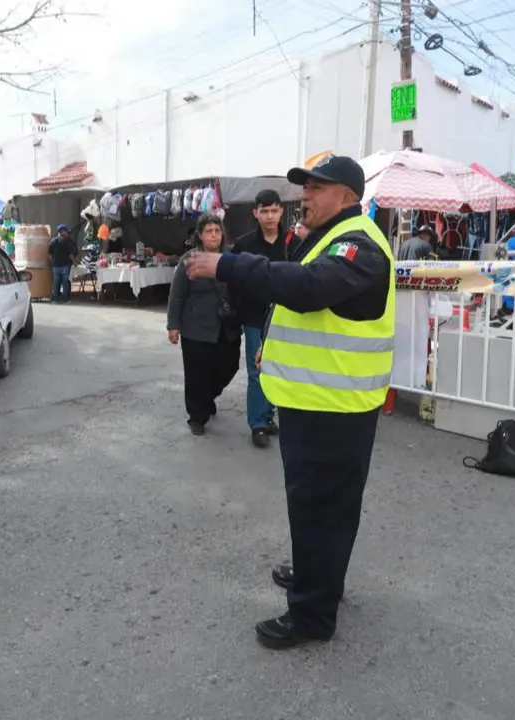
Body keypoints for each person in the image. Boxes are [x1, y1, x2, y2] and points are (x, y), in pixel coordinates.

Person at [184, 155, 394, 650]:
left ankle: (312, 616)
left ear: (347, 197)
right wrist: (269, 344)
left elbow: (307, 288)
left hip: (334, 409)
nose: (306, 197)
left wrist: (228, 263)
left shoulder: (359, 245)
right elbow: (304, 306)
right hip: (316, 402)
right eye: (305, 187)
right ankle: (317, 579)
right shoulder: (329, 238)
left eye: (317, 188)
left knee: (322, 508)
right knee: (317, 508)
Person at [167, 214, 242, 436]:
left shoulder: (232, 258)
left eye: (217, 231)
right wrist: (174, 325)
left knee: (229, 366)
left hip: (226, 327)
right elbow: (177, 294)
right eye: (209, 231)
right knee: (196, 373)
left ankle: (208, 396)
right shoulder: (189, 260)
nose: (213, 235)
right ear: (200, 235)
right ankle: (197, 416)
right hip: (195, 328)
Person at [233, 190, 290, 448]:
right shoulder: (244, 245)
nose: (269, 216)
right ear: (255, 213)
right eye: (264, 211)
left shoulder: (294, 243)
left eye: (274, 210)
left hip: (285, 317)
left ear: (281, 211)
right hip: (254, 316)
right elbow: (232, 278)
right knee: (257, 371)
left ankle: (268, 416)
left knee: (277, 369)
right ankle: (257, 423)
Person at [49, 224, 77, 304]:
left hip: (56, 266)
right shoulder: (66, 241)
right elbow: (70, 254)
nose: (67, 233)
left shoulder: (53, 241)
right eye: (66, 231)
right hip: (65, 265)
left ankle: (55, 299)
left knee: (55, 282)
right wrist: (74, 262)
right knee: (65, 282)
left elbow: (49, 253)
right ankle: (65, 299)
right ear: (61, 232)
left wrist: (52, 262)